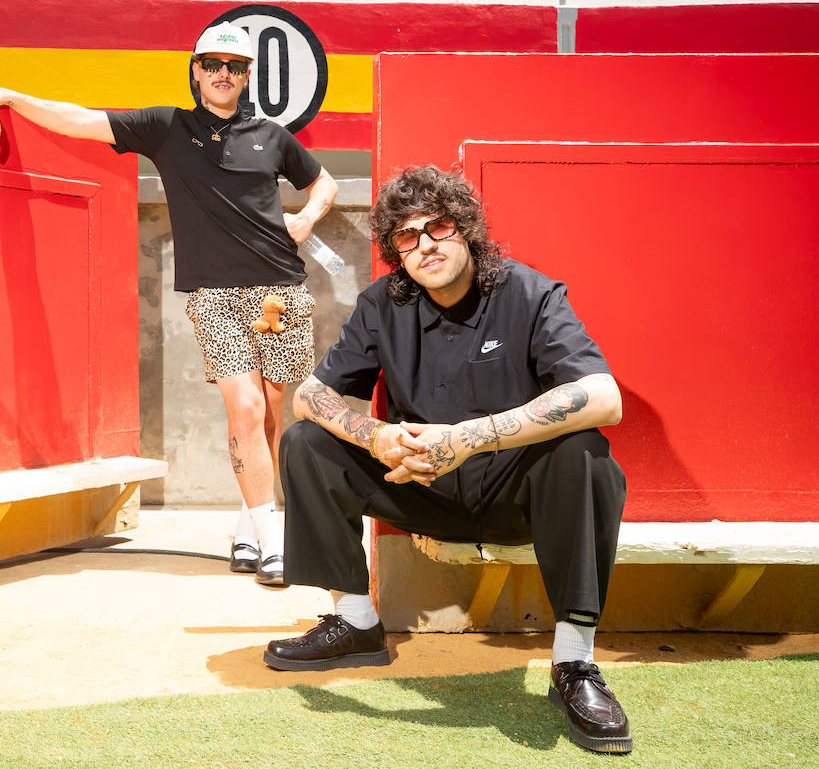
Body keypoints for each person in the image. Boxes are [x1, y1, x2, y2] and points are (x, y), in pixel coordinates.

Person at [265, 165, 632, 754]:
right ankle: (357, 621)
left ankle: (574, 665)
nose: (425, 245)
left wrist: (470, 437)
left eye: (438, 227)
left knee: (586, 452)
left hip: (517, 493)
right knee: (307, 442)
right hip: (423, 488)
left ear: (466, 229)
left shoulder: (530, 293)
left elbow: (605, 397)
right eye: (406, 238)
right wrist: (376, 437)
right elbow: (310, 395)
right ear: (396, 253)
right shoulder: (384, 304)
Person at [0, 22, 337, 585]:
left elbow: (324, 184)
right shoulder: (166, 127)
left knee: (270, 412)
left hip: (279, 290)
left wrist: (306, 217)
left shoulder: (272, 136)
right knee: (243, 409)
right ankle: (274, 541)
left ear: (248, 77)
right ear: (196, 70)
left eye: (236, 67)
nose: (224, 74)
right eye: (213, 64)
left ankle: (249, 525)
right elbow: (82, 120)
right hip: (214, 295)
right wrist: (14, 99)